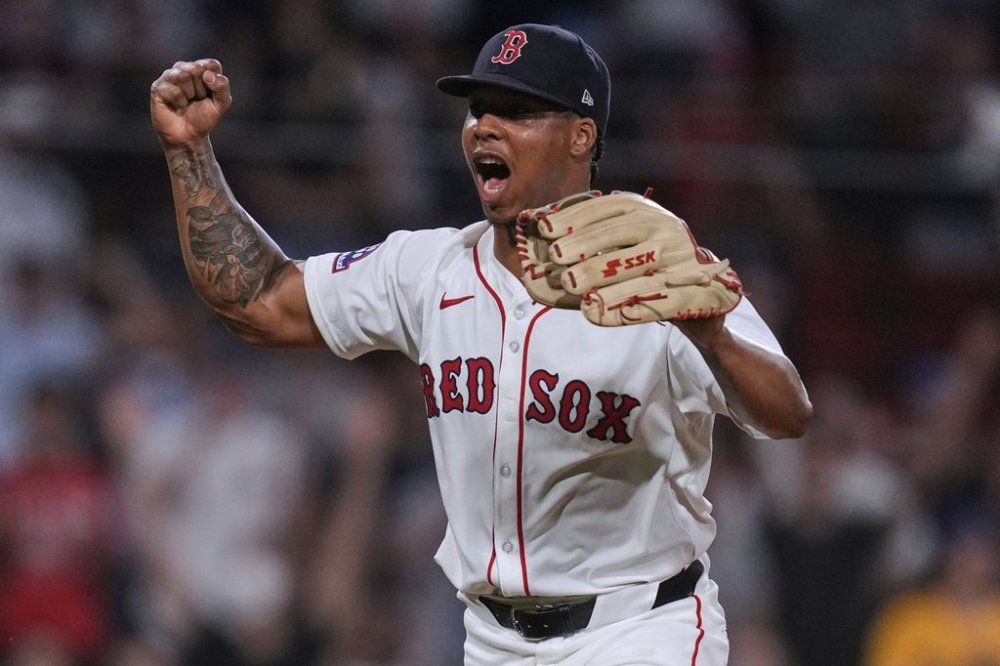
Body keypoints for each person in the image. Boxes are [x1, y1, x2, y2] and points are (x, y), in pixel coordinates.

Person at [149, 23, 812, 665]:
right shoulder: (429, 270)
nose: (485, 127)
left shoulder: (648, 266)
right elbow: (257, 301)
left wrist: (711, 332)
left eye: (517, 111)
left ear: (582, 136)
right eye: (478, 109)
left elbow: (786, 413)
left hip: (639, 627)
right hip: (492, 640)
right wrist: (189, 153)